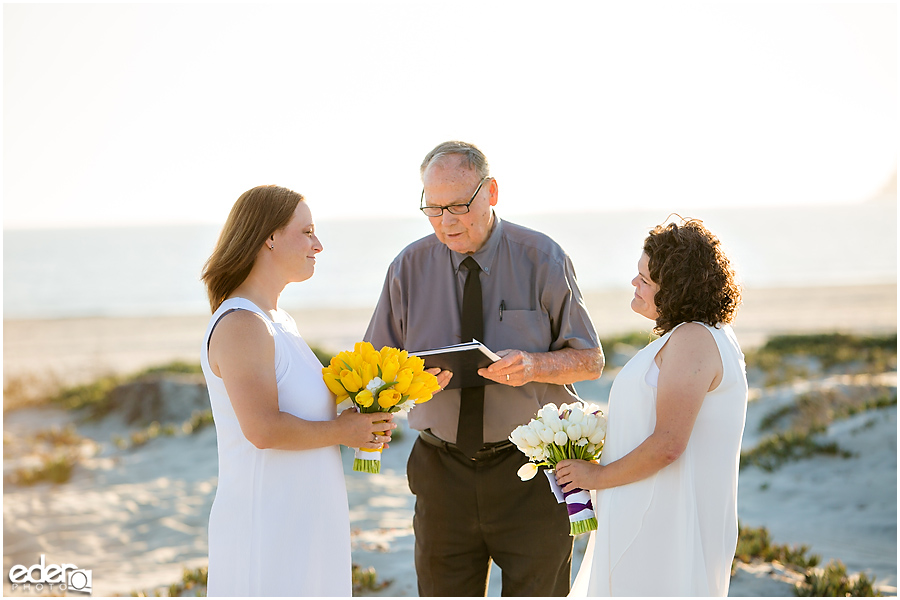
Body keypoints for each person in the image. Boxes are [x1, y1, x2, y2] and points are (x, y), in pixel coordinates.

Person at [365, 141, 605, 596]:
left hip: (532, 475)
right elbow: (375, 370)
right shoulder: (407, 268)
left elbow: (590, 359)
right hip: (441, 473)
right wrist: (407, 384)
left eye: (458, 205)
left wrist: (535, 365)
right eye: (432, 208)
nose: (446, 221)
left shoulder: (543, 258)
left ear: (491, 192)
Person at [199, 185, 394, 596]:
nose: (318, 245)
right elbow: (263, 429)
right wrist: (346, 432)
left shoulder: (279, 321)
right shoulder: (241, 324)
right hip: (267, 531)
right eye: (306, 232)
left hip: (305, 525)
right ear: (269, 237)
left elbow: (304, 409)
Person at [556, 218, 748, 596]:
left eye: (645, 279)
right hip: (644, 511)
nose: (634, 284)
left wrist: (594, 477)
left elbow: (668, 444)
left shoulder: (693, 339)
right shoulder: (696, 336)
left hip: (663, 522)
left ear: (676, 289)